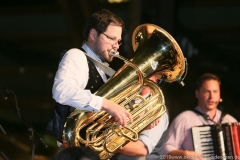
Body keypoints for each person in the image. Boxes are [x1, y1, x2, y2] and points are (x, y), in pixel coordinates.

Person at [46, 8, 168, 160]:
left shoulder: (104, 71)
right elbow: (62, 91)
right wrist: (107, 104)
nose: (116, 46)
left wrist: (141, 121)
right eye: (111, 39)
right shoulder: (76, 56)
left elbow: (106, 125)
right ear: (93, 34)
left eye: (119, 41)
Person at [160, 73, 238, 159]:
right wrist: (185, 155)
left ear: (220, 94)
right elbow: (164, 151)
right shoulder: (184, 119)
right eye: (207, 92)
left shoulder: (230, 121)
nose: (211, 97)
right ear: (197, 93)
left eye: (215, 91)